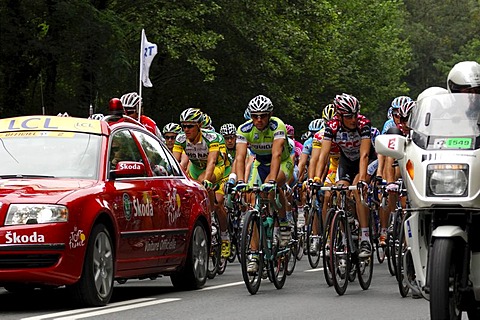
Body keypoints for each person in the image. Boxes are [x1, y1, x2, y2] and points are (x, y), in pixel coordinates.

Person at [310, 93, 375, 258]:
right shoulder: (331, 127)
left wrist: (361, 179)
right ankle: (348, 224)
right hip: (346, 161)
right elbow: (323, 155)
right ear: (339, 116)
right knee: (340, 191)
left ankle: (365, 237)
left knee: (357, 189)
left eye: (355, 114)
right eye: (348, 116)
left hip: (366, 160)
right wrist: (317, 178)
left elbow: (365, 155)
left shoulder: (363, 123)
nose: (353, 119)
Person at [233, 94, 293, 273]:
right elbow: (240, 157)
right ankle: (254, 255)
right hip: (260, 163)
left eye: (263, 116)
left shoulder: (277, 126)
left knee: (271, 187)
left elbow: (276, 154)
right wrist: (241, 181)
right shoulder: (244, 129)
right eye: (255, 116)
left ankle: (283, 224)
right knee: (252, 202)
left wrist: (273, 181)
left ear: (270, 114)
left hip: (282, 162)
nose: (258, 120)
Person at [172, 108, 230, 257]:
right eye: (183, 126)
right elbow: (176, 163)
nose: (186, 129)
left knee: (216, 202)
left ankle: (224, 236)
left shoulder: (212, 138)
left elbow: (212, 162)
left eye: (190, 126)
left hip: (217, 167)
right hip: (197, 168)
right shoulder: (180, 139)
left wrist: (206, 181)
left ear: (199, 125)